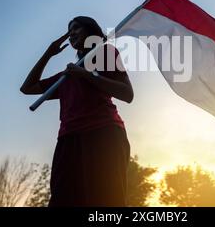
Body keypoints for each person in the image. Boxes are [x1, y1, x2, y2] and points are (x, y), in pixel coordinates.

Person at [20, 16, 133, 206]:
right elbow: (27, 88)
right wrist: (48, 53)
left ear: (91, 31)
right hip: (68, 139)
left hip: (104, 134)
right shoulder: (67, 76)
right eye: (68, 30)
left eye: (76, 28)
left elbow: (127, 93)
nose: (71, 33)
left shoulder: (107, 52)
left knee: (107, 200)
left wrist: (87, 75)